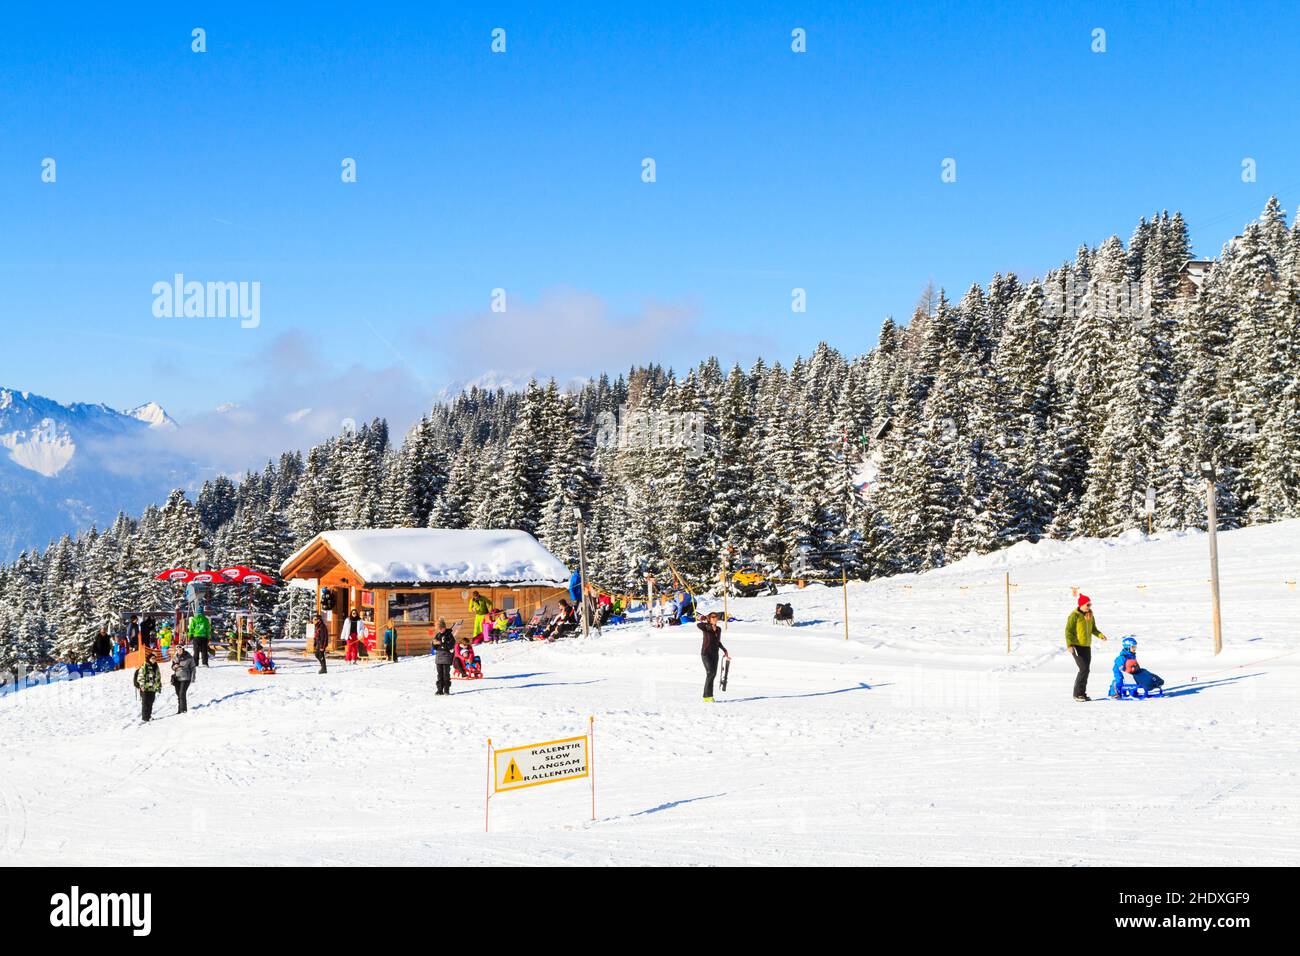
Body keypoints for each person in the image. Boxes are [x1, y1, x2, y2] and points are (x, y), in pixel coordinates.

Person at [1064, 594, 1109, 701]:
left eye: (1090, 604)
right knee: (1083, 669)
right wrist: (1069, 645)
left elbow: (1093, 629)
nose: (1089, 606)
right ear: (1081, 605)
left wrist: (1100, 635)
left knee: (1086, 670)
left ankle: (1082, 694)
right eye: (1087, 604)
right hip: (1076, 646)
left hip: (1086, 646)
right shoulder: (1074, 616)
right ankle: (1077, 694)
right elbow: (1068, 631)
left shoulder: (1090, 615)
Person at [697, 611, 730, 702]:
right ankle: (706, 696)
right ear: (709, 618)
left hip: (715, 654)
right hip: (706, 653)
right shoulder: (706, 627)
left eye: (716, 617)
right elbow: (699, 625)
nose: (715, 618)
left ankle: (709, 696)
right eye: (712, 617)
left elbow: (717, 642)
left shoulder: (718, 629)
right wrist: (705, 621)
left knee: (713, 674)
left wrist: (724, 650)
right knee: (710, 672)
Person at [134, 650, 163, 722]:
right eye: (152, 658)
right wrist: (142, 686)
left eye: (154, 658)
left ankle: (149, 716)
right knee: (145, 703)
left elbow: (158, 677)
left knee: (150, 702)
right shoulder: (144, 666)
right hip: (145, 688)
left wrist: (159, 686)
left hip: (152, 688)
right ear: (149, 659)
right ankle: (145, 718)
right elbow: (140, 677)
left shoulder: (156, 666)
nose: (153, 660)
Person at [431, 618, 456, 695]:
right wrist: (434, 644)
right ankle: (439, 689)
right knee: (440, 674)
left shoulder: (449, 635)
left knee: (446, 674)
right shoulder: (438, 635)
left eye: (441, 628)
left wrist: (441, 644)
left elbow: (451, 645)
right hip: (439, 657)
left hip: (446, 656)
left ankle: (446, 689)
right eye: (439, 629)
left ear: (444, 627)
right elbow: (435, 647)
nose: (440, 630)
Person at [171, 645, 195, 714]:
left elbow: (193, 667)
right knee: (178, 694)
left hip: (186, 678)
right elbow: (172, 666)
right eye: (177, 649)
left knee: (182, 693)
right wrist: (174, 667)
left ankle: (183, 710)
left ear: (183, 649)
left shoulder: (189, 657)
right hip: (177, 678)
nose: (179, 650)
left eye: (180, 649)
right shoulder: (175, 657)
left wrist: (193, 677)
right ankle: (180, 710)